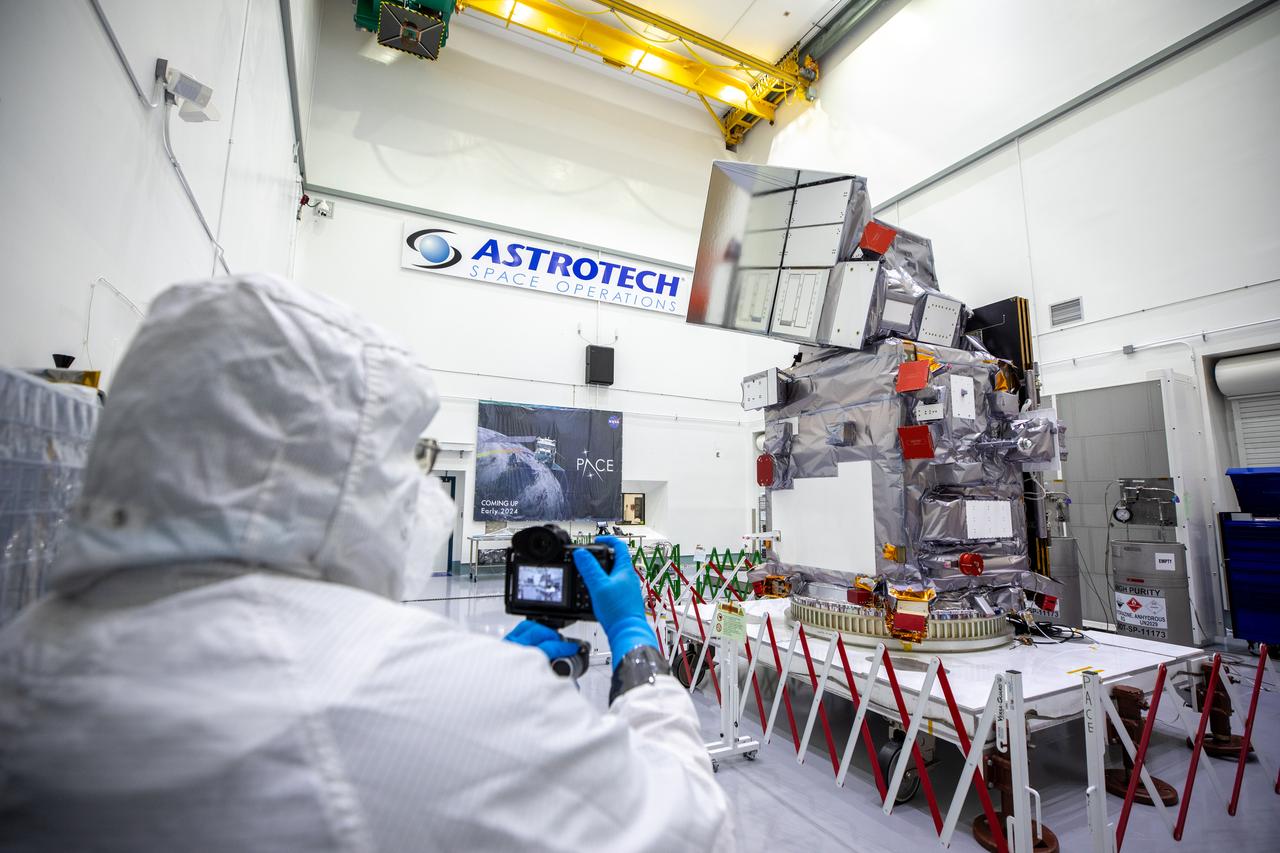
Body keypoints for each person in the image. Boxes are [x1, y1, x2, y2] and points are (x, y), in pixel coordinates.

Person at [0, 275, 732, 852]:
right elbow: (688, 826)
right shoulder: (426, 697)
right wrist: (638, 652)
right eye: (406, 455)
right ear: (325, 460)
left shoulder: (27, 652)